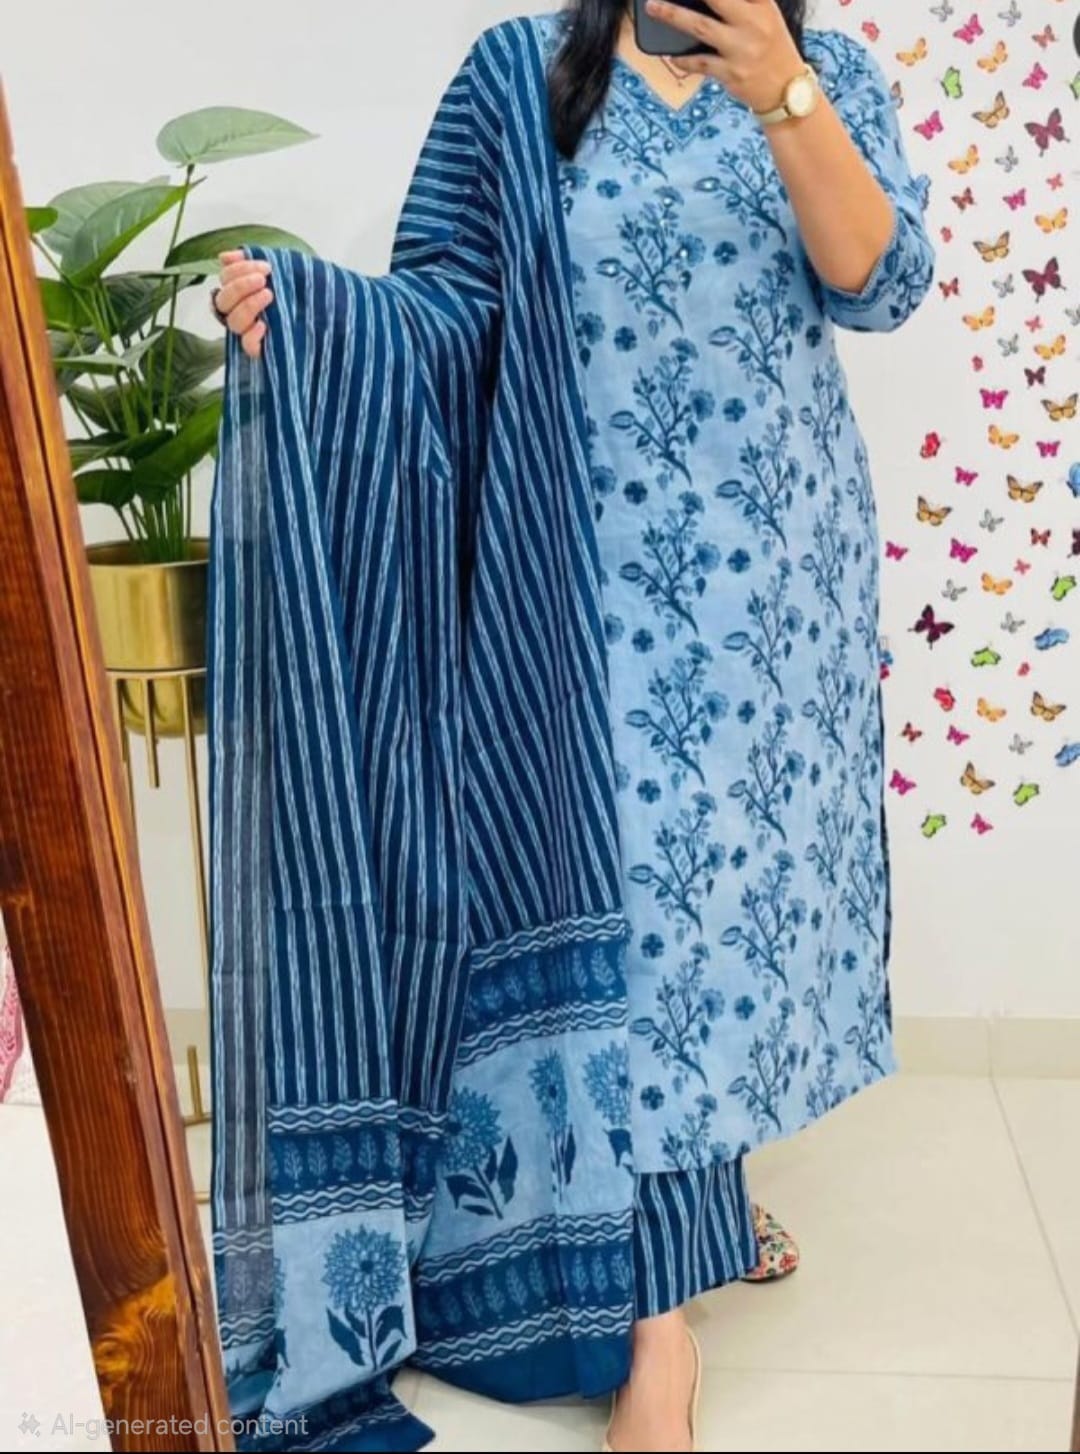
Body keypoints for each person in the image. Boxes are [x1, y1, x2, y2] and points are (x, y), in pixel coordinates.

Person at [210, 5, 932, 1451]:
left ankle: (694, 1202)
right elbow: (445, 304)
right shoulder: (521, 76)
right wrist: (317, 316)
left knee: (726, 932)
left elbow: (880, 282)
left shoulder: (831, 73)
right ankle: (656, 1323)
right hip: (575, 579)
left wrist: (780, 87)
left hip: (772, 594)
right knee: (643, 917)